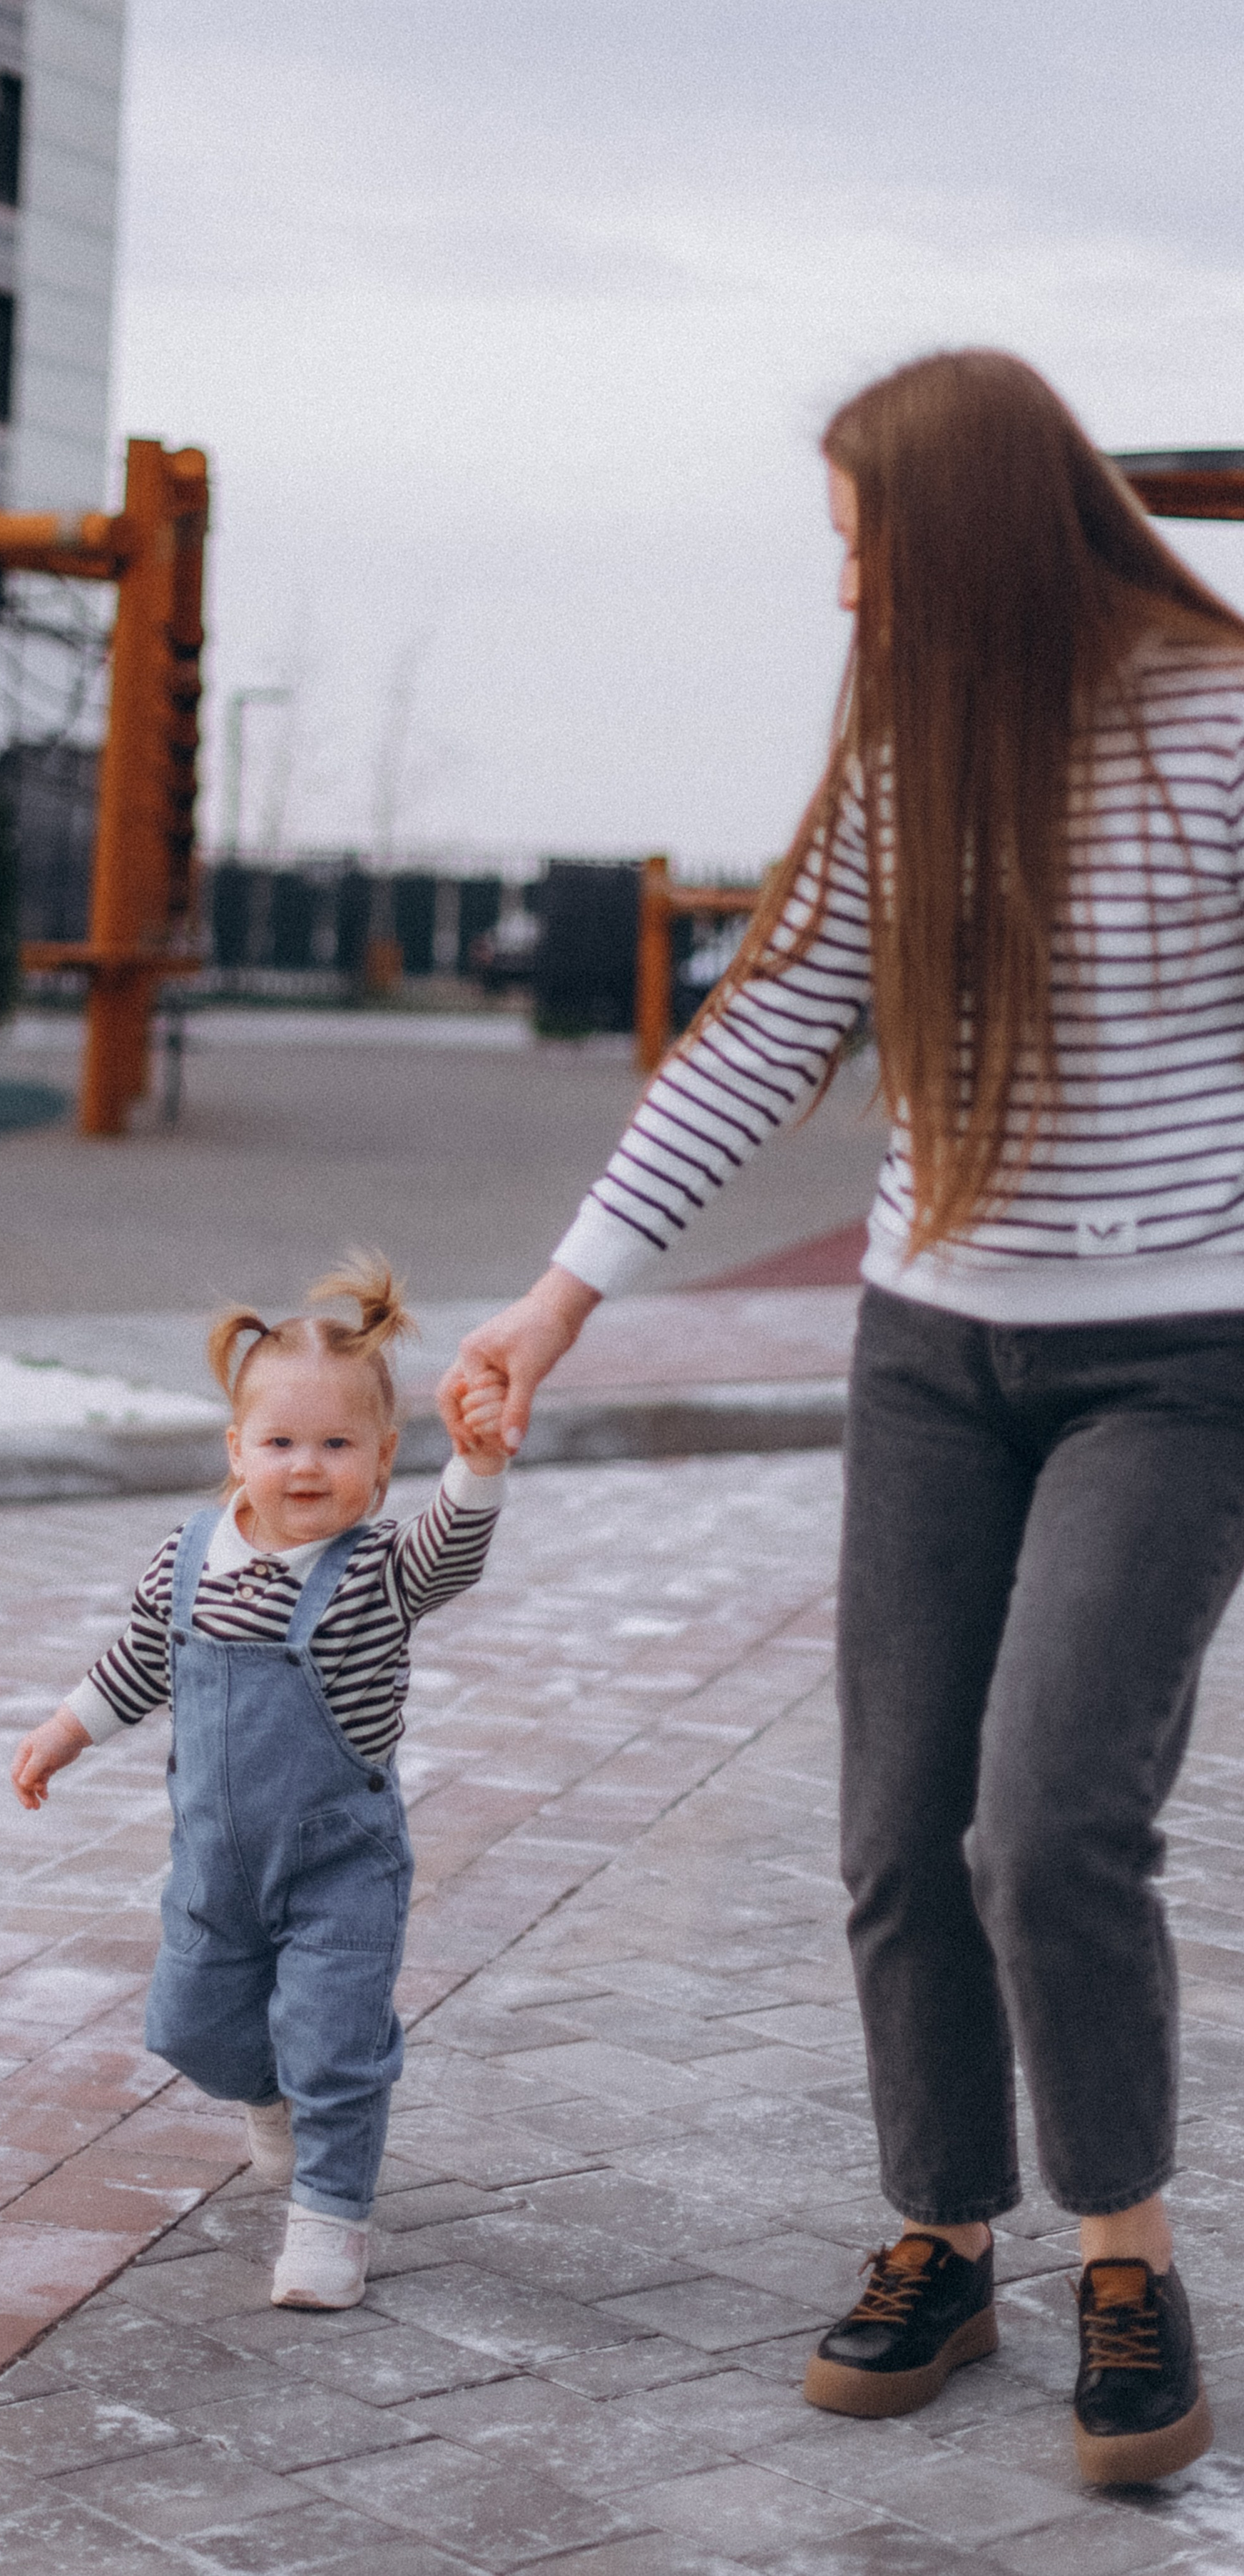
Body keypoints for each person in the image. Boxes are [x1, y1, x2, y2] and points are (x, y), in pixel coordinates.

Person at [442, 350, 1244, 2484]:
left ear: (962, 532)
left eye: (862, 546)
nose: (845, 595)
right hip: (932, 1355)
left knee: (1049, 1817)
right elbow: (760, 1032)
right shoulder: (918, 749)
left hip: (1179, 1360)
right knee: (899, 1827)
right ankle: (943, 2232)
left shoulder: (1226, 719)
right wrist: (560, 1297)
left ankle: (1128, 2261)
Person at [14, 1254, 509, 2312]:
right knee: (190, 2024)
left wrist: (476, 1468)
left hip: (339, 1866)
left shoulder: (377, 1573)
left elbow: (453, 1556)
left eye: (337, 1446)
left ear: (381, 1463)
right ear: (237, 1451)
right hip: (215, 1865)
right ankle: (266, 2098)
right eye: (280, 1443)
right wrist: (64, 1731)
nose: (305, 1467)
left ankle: (332, 2221)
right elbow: (141, 1661)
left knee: (334, 2043)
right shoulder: (187, 1561)